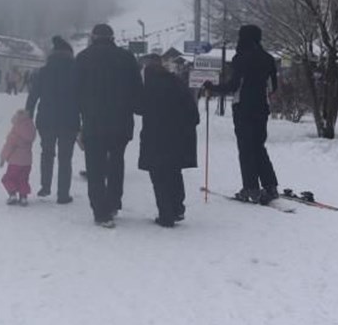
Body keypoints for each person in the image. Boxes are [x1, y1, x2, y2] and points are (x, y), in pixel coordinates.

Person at [74, 23, 142, 228]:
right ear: (112, 38)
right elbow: (137, 91)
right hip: (121, 123)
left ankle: (101, 212)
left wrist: (77, 121)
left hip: (93, 123)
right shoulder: (127, 58)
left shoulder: (83, 58)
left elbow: (74, 93)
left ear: (93, 37)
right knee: (116, 163)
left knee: (95, 168)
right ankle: (113, 203)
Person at [204, 24, 280, 204]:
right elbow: (273, 87)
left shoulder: (240, 58)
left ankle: (251, 188)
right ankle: (270, 186)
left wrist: (212, 88)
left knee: (246, 149)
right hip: (262, 108)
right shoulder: (268, 59)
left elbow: (233, 86)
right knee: (259, 147)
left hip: (243, 107)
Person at [137, 54, 200, 228]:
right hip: (179, 138)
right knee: (174, 172)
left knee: (159, 175)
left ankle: (166, 214)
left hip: (156, 137)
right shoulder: (177, 82)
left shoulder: (149, 87)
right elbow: (194, 115)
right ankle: (178, 208)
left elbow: (139, 108)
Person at [25, 35, 80, 204]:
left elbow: (33, 96)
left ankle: (45, 187)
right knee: (65, 157)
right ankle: (63, 194)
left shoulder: (43, 72)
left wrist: (28, 116)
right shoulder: (76, 71)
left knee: (47, 153)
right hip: (69, 120)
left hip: (46, 120)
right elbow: (83, 97)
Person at [0, 109, 36, 206]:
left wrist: (2, 158)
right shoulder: (30, 128)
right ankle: (23, 198)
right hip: (27, 163)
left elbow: (8, 146)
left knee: (8, 178)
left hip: (15, 162)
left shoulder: (15, 133)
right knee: (23, 179)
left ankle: (12, 195)